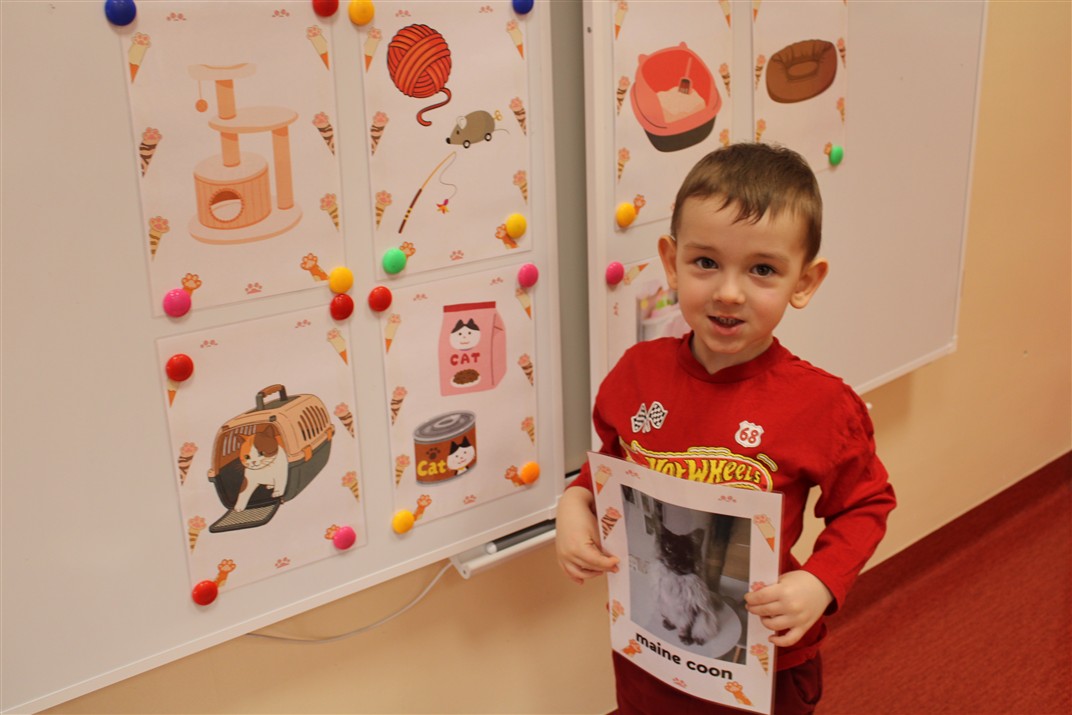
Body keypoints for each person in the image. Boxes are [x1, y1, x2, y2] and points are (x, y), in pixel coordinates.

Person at [556, 143, 897, 715]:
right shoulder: (636, 374)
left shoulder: (822, 405)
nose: (729, 292)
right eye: (706, 262)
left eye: (762, 269)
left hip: (763, 664)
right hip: (649, 653)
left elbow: (867, 504)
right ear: (671, 262)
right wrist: (574, 501)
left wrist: (820, 581)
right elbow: (612, 463)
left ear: (804, 282)